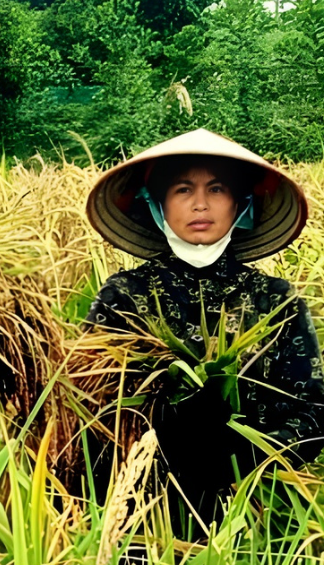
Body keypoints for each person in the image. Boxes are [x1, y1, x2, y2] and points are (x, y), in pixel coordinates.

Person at [81, 129, 322, 534]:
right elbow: (87, 408)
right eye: (182, 189)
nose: (200, 204)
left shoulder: (275, 300)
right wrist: (166, 431)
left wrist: (245, 455)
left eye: (217, 189)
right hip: (141, 515)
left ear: (240, 204)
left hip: (257, 516)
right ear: (157, 204)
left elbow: (314, 410)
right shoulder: (124, 296)